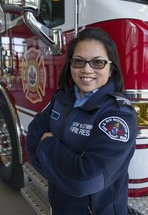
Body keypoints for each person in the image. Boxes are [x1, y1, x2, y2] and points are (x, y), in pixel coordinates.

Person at [26, 27, 137, 215]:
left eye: (98, 62)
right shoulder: (60, 100)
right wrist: (67, 170)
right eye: (79, 61)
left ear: (111, 69)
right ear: (70, 66)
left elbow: (85, 180)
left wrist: (47, 145)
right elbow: (31, 141)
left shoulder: (118, 116)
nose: (86, 69)